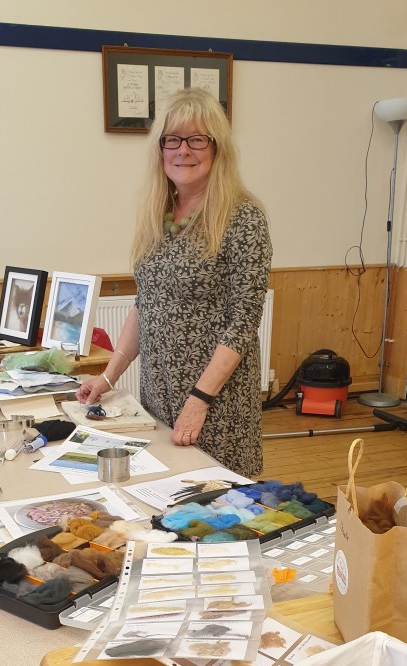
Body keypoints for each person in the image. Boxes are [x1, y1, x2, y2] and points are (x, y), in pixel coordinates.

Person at [76, 88, 272, 476]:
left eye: (197, 139)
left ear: (217, 148)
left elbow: (243, 323)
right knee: (161, 493)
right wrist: (109, 376)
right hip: (158, 394)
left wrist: (199, 400)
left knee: (216, 500)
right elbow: (145, 304)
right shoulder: (158, 214)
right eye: (173, 140)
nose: (183, 150)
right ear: (160, 149)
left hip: (216, 403)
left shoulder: (242, 219)